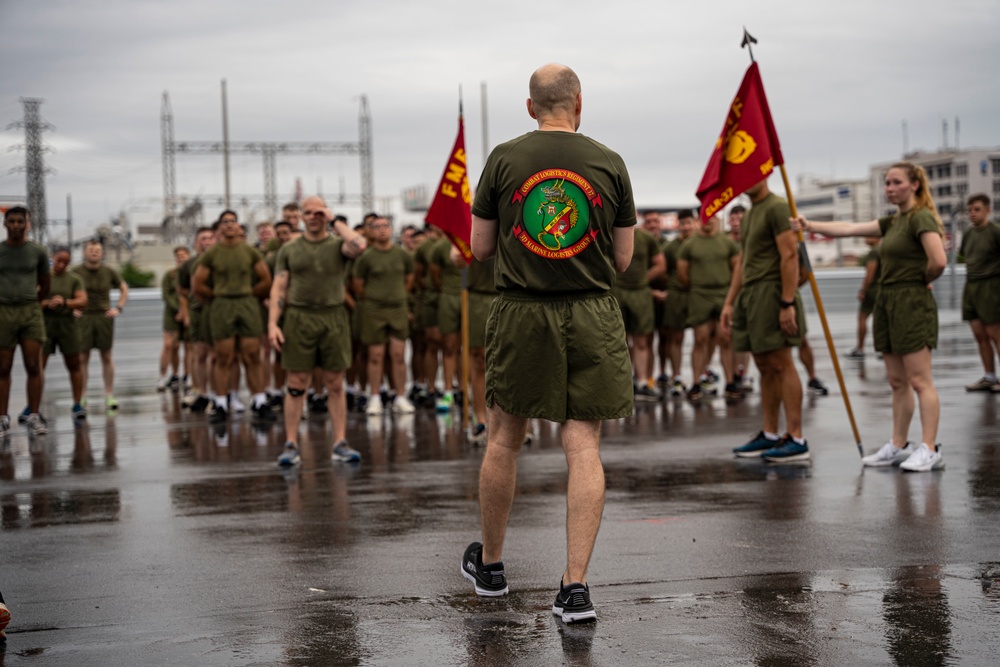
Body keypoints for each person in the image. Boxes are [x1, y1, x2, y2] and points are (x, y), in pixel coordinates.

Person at [462, 63, 635, 624]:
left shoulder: (505, 159)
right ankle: (575, 587)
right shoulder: (609, 162)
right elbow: (624, 259)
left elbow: (481, 247)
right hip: (591, 312)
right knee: (583, 445)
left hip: (521, 312)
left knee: (505, 439)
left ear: (530, 106)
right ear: (579, 103)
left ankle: (490, 567)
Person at [795, 161, 947, 472]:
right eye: (887, 183)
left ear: (914, 185)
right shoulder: (894, 222)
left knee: (920, 381)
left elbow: (939, 261)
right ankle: (897, 443)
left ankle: (929, 448)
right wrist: (809, 225)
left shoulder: (921, 218)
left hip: (910, 301)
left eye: (896, 183)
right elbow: (849, 228)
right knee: (896, 381)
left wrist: (920, 280)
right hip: (887, 301)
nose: (890, 189)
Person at [270, 196, 367, 466]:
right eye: (309, 212)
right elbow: (279, 287)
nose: (314, 216)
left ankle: (339, 442)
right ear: (300, 217)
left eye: (319, 212)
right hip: (299, 318)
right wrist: (272, 324)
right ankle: (291, 443)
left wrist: (334, 219)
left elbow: (360, 245)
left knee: (335, 382)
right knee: (296, 383)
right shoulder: (290, 249)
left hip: (333, 317)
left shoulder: (338, 245)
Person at [721, 177, 809, 462]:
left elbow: (790, 256)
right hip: (751, 294)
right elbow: (744, 261)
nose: (745, 178)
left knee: (782, 364)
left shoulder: (777, 207)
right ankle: (770, 433)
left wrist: (786, 303)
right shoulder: (750, 214)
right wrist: (730, 302)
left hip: (773, 292)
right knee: (764, 366)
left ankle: (796, 438)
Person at [192, 210, 275, 424]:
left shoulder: (249, 251)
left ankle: (259, 400)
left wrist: (250, 296)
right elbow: (198, 283)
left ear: (239, 227)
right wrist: (216, 297)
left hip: (246, 303)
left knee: (252, 355)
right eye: (225, 222)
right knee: (223, 357)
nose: (229, 225)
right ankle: (220, 402)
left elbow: (265, 279)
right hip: (222, 305)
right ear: (219, 228)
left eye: (233, 222)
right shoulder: (213, 253)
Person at [352, 215, 416, 415]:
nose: (381, 230)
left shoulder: (402, 255)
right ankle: (375, 397)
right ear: (371, 231)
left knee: (398, 354)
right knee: (375, 355)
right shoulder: (366, 257)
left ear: (391, 229)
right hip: (374, 309)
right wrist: (374, 297)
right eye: (376, 227)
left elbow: (410, 278)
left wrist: (398, 296)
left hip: (397, 308)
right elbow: (358, 284)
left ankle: (400, 396)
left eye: (385, 226)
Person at [677, 214, 740, 400]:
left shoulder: (727, 243)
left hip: (723, 294)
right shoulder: (690, 244)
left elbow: (737, 269)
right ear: (699, 219)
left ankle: (730, 382)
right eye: (705, 216)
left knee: (726, 340)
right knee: (700, 339)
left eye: (712, 216)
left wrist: (729, 292)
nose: (709, 220)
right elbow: (682, 274)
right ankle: (696, 383)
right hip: (699, 295)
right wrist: (698, 285)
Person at [0, 206, 50, 437]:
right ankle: (2, 418)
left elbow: (45, 283)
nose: (17, 225)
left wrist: (34, 302)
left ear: (27, 224)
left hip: (30, 311)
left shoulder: (37, 252)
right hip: (4, 312)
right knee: (3, 367)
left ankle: (34, 416)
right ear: (5, 224)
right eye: (13, 221)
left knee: (33, 365)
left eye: (21, 221)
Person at [613, 212, 665, 401]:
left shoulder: (646, 238)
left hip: (640, 293)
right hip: (617, 292)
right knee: (620, 342)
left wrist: (644, 280)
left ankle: (642, 382)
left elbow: (660, 265)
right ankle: (623, 384)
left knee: (642, 341)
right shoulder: (610, 234)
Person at [73, 240, 128, 411]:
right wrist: (71, 308)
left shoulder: (109, 271)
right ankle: (81, 397)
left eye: (97, 250)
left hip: (104, 316)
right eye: (91, 250)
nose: (94, 253)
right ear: (84, 253)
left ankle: (109, 394)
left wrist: (118, 307)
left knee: (106, 356)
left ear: (102, 253)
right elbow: (63, 289)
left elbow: (124, 288)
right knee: (83, 357)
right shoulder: (75, 272)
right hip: (84, 316)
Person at [40, 247, 88, 420]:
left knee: (75, 364)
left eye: (66, 262)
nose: (61, 265)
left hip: (68, 325)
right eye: (59, 260)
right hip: (45, 325)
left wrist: (65, 302)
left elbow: (83, 300)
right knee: (38, 367)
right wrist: (47, 304)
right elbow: (31, 301)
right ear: (53, 257)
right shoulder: (43, 277)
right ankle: (33, 406)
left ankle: (77, 403)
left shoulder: (74, 279)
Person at [959, 194, 1000, 392]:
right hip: (971, 286)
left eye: (977, 210)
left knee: (996, 335)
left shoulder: (995, 232)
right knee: (979, 334)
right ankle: (989, 377)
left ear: (987, 210)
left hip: (991, 286)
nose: (972, 214)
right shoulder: (968, 234)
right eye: (970, 210)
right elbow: (965, 256)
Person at [177, 225, 216, 412]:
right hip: (198, 312)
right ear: (196, 242)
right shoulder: (189, 264)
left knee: (217, 354)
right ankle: (202, 392)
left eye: (210, 238)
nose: (207, 241)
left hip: (217, 311)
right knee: (200, 353)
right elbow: (182, 289)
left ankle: (219, 394)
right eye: (203, 238)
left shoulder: (220, 260)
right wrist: (187, 311)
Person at [657, 210, 696, 396]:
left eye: (689, 222)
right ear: (678, 225)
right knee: (675, 337)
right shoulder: (671, 247)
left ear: (695, 222)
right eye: (683, 223)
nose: (686, 227)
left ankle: (700, 376)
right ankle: (677, 376)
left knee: (704, 337)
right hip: (677, 295)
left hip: (698, 295)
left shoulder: (701, 244)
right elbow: (663, 272)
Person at [158, 246, 190, 392]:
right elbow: (166, 295)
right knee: (170, 345)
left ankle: (188, 375)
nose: (180, 258)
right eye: (178, 256)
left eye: (183, 255)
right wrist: (178, 309)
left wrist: (186, 311)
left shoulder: (193, 274)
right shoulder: (170, 275)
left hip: (189, 313)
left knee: (190, 346)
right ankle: (166, 375)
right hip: (172, 314)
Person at [848, 237, 881, 359]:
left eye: (868, 236)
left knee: (862, 317)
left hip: (873, 290)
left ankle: (860, 348)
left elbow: (870, 273)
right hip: (884, 289)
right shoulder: (885, 250)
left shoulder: (874, 252)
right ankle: (885, 349)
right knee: (882, 319)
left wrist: (863, 290)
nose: (865, 239)